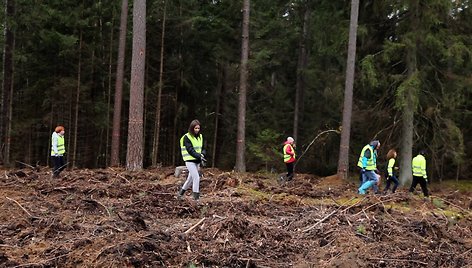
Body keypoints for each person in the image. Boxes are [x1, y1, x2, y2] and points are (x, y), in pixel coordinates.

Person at [177, 119, 206, 201]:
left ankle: (180, 194)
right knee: (196, 177)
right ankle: (196, 198)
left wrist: (202, 154)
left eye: (198, 128)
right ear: (192, 128)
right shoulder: (186, 137)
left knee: (190, 179)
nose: (197, 130)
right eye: (195, 128)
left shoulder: (200, 137)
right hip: (189, 161)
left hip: (197, 161)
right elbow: (190, 150)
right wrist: (199, 156)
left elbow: (203, 148)